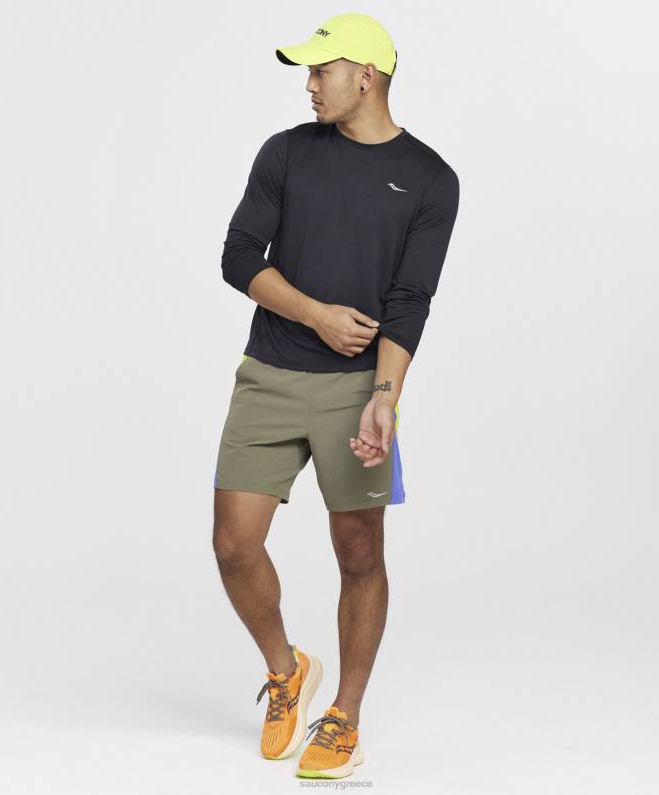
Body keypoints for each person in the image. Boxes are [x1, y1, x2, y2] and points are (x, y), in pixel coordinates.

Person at [212, 12, 459, 779]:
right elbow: (237, 255)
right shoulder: (286, 151)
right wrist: (314, 314)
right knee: (233, 544)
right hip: (269, 373)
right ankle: (286, 670)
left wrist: (384, 396)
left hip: (358, 389)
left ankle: (344, 715)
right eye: (308, 72)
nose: (310, 84)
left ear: (366, 76)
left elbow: (410, 300)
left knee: (358, 551)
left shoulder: (430, 178)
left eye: (321, 70)